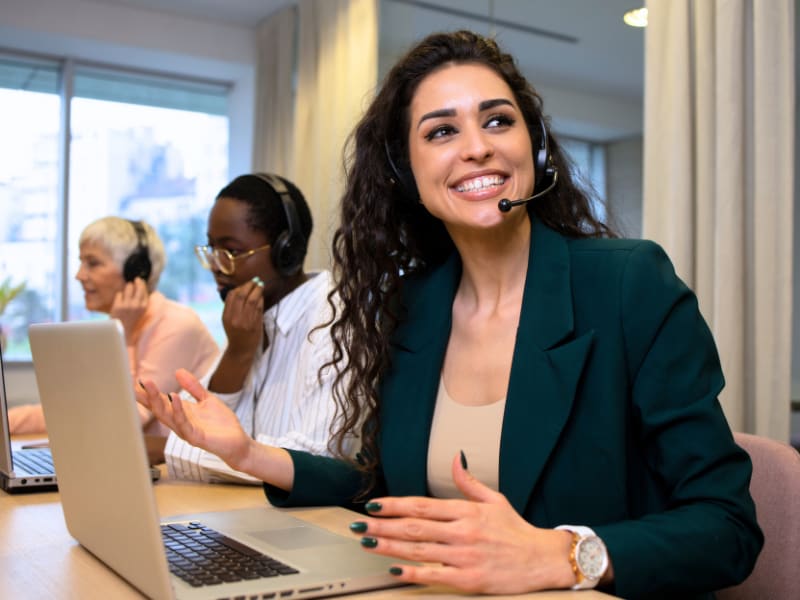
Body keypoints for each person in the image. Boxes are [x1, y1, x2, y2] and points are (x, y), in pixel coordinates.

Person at [138, 31, 762, 599]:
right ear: (407, 174)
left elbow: (726, 525)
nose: (478, 148)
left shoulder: (629, 284)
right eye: (442, 131)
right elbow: (391, 491)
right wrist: (251, 455)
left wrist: (566, 554)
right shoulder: (415, 305)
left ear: (534, 148)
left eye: (498, 121)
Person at [164, 173, 351, 481]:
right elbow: (193, 433)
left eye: (232, 252)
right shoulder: (251, 320)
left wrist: (190, 449)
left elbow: (310, 460)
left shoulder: (336, 322)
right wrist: (237, 353)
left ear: (286, 252)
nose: (216, 266)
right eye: (212, 249)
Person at [9, 216, 219, 438]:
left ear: (135, 271)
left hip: (182, 471)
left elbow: (123, 420)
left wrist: (122, 336)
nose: (79, 275)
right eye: (81, 262)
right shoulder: (115, 327)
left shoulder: (177, 325)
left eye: (93, 263)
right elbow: (77, 412)